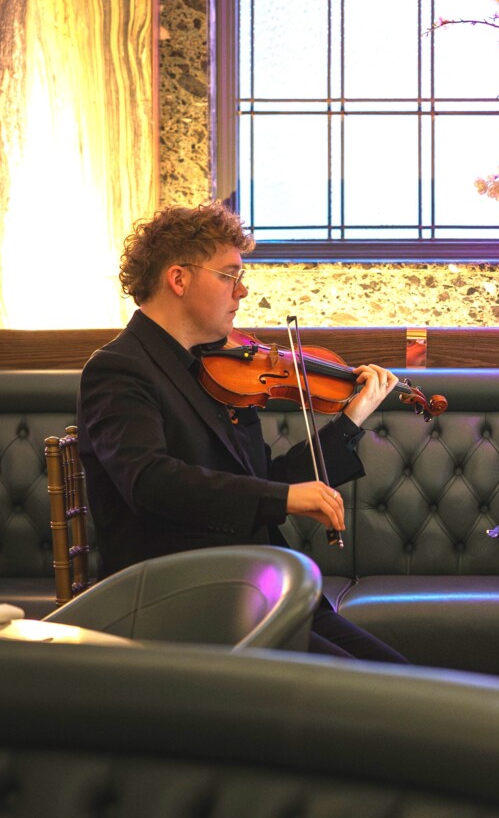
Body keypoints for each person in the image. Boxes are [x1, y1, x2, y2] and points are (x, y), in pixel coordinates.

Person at [77, 202, 408, 662]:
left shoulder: (216, 366)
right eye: (229, 276)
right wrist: (282, 498)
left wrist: (351, 418)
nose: (243, 291)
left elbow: (263, 479)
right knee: (366, 689)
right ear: (179, 279)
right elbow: (150, 482)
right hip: (184, 603)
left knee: (398, 674)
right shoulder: (119, 369)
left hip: (253, 590)